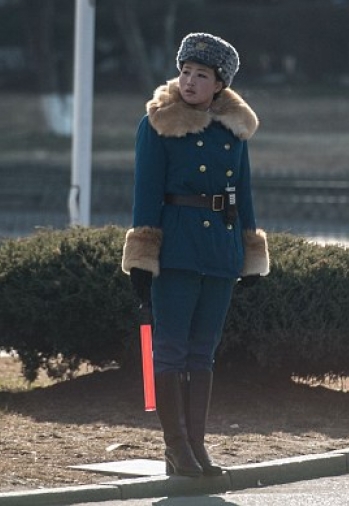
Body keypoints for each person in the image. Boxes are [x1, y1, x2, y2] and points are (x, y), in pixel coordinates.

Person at [121, 32, 269, 477]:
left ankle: (198, 447)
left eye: (200, 75)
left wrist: (250, 252)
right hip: (178, 250)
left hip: (221, 252)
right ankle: (176, 448)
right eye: (185, 71)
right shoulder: (158, 123)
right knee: (170, 351)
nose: (188, 81)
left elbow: (243, 192)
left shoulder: (234, 129)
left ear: (219, 84)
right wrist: (143, 258)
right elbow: (145, 194)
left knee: (202, 353)